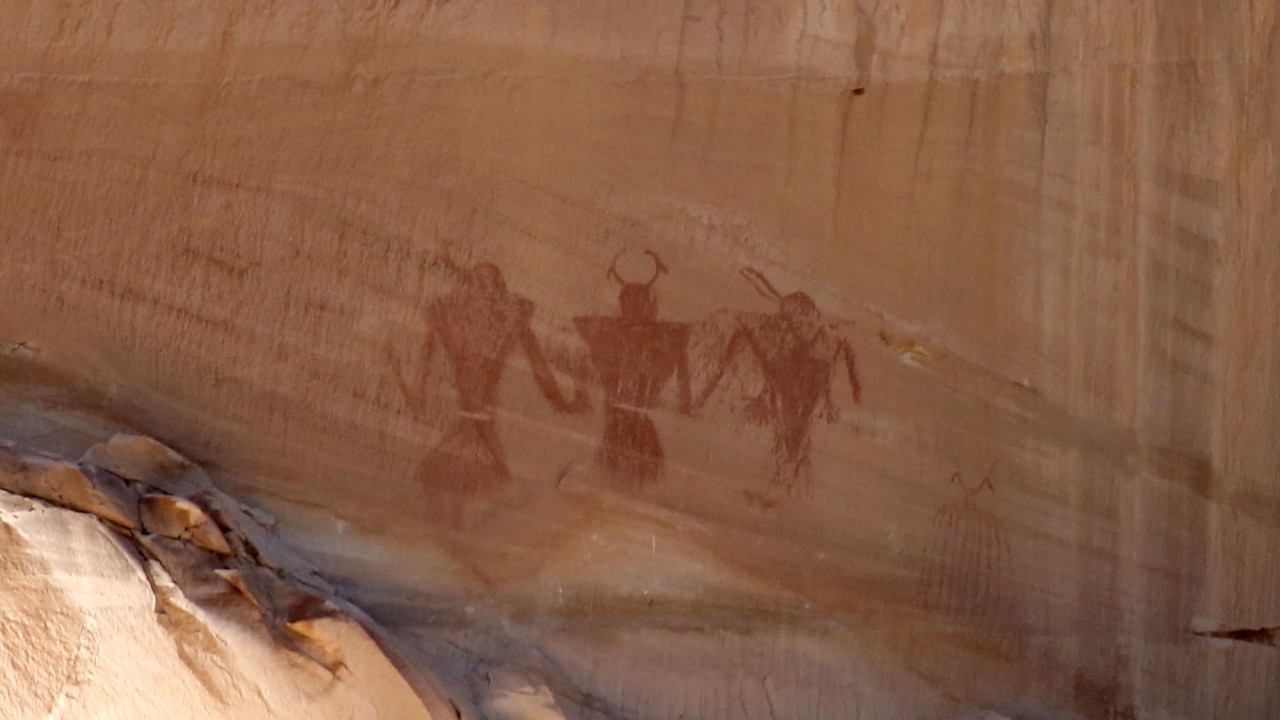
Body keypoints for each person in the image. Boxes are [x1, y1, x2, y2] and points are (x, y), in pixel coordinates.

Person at [389, 261, 587, 525]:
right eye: (477, 284)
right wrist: (398, 372)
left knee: (469, 494)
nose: (483, 292)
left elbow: (543, 376)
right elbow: (418, 398)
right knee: (456, 495)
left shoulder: (507, 326)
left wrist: (570, 397)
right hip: (474, 428)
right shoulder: (452, 324)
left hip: (480, 427)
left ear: (499, 294)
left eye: (490, 286)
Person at [696, 267, 860, 502]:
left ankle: (785, 484)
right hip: (800, 380)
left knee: (791, 431)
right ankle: (786, 483)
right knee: (793, 431)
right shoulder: (807, 329)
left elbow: (792, 357)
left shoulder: (798, 331)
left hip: (795, 379)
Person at [573, 250, 692, 490]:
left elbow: (679, 358)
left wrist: (685, 397)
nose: (634, 307)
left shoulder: (656, 335)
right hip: (621, 423)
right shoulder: (612, 332)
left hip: (631, 423)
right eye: (629, 301)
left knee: (630, 474)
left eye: (639, 302)